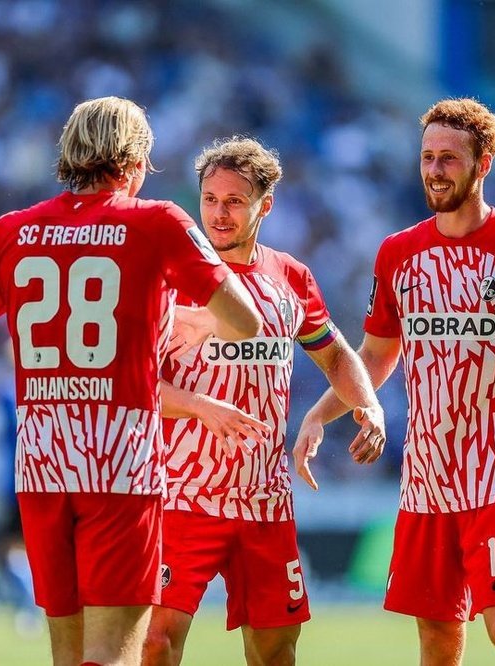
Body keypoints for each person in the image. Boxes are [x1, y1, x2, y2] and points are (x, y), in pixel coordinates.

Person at [0, 97, 263, 666]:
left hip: (43, 463)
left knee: (67, 656)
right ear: (134, 161)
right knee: (113, 655)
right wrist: (190, 314)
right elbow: (245, 319)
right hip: (119, 461)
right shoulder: (158, 221)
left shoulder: (13, 230)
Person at [295, 98, 495, 666]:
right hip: (428, 476)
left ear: (482, 164)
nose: (434, 170)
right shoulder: (399, 253)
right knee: (438, 639)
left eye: (449, 159)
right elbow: (376, 356)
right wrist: (322, 414)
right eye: (427, 157)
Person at [142, 137, 386, 666]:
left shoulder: (290, 278)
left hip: (264, 500)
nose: (219, 213)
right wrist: (201, 405)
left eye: (234, 200)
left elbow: (339, 356)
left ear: (265, 205)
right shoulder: (169, 276)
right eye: (210, 199)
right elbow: (136, 387)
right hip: (183, 494)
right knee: (156, 640)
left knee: (275, 650)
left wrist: (368, 405)